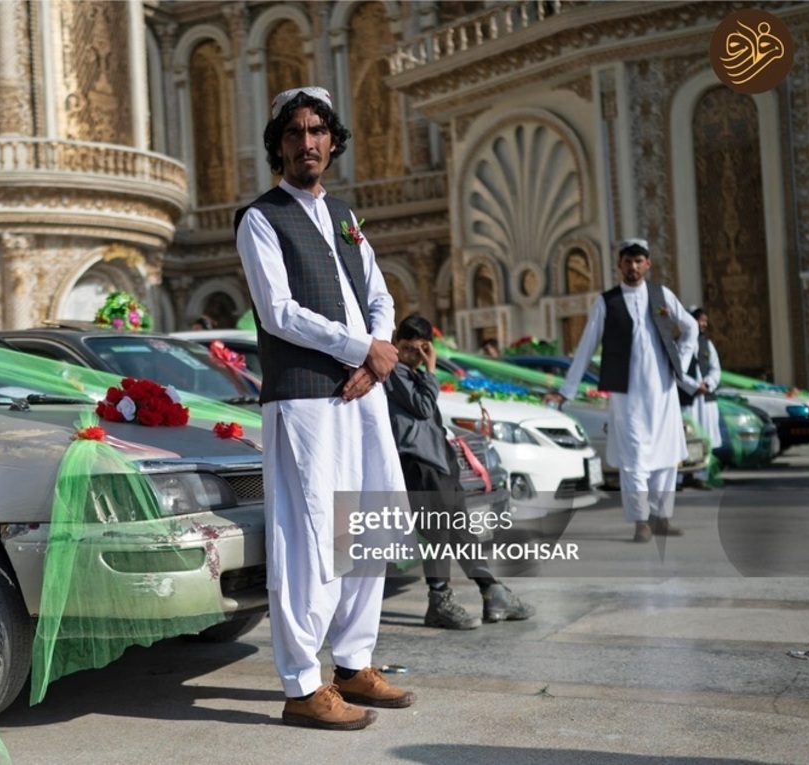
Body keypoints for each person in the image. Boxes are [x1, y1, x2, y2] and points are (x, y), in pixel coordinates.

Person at [235, 86, 413, 730]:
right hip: (306, 399)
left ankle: (354, 664)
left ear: (332, 141)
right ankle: (303, 684)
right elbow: (279, 313)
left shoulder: (343, 215)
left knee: (365, 525)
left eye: (316, 131)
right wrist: (360, 347)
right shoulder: (261, 218)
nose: (306, 143)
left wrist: (376, 353)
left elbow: (379, 295)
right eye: (293, 133)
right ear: (277, 145)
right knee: (311, 539)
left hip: (362, 392)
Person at [385, 314, 534, 629]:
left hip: (438, 462)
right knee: (438, 531)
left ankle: (492, 593)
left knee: (460, 531)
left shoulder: (411, 373)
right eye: (408, 348)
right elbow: (423, 407)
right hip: (418, 462)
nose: (414, 354)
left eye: (421, 349)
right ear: (397, 345)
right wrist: (430, 367)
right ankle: (439, 600)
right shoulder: (394, 373)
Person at [545, 239, 698, 542]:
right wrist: (567, 390)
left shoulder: (661, 295)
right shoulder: (606, 302)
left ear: (648, 264)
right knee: (634, 457)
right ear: (620, 265)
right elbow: (586, 346)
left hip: (663, 392)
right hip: (627, 395)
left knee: (666, 457)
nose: (633, 266)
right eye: (628, 261)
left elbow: (691, 327)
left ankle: (661, 517)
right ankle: (641, 520)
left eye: (639, 261)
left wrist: (679, 363)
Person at [678, 307, 721, 489]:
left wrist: (708, 384)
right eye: (700, 320)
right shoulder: (678, 344)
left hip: (706, 400)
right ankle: (682, 476)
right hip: (688, 399)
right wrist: (695, 387)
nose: (703, 324)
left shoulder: (707, 345)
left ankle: (700, 475)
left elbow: (715, 368)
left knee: (705, 436)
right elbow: (676, 372)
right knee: (688, 437)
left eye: (705, 321)